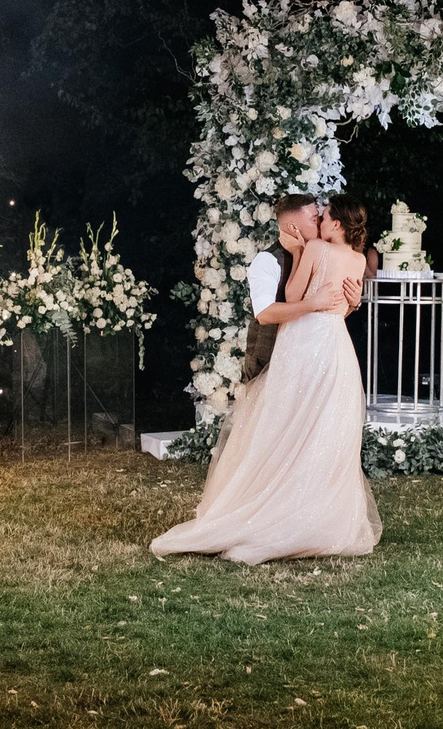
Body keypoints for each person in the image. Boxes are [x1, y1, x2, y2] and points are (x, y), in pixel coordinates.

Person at [153, 194, 382, 563]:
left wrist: (348, 298)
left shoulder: (315, 249)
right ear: (293, 224)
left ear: (336, 224)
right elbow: (267, 312)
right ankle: (310, 514)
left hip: (304, 348)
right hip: (331, 352)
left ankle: (287, 512)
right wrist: (333, 300)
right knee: (312, 430)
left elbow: (300, 295)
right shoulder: (285, 259)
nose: (318, 220)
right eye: (314, 216)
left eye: (322, 216)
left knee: (292, 429)